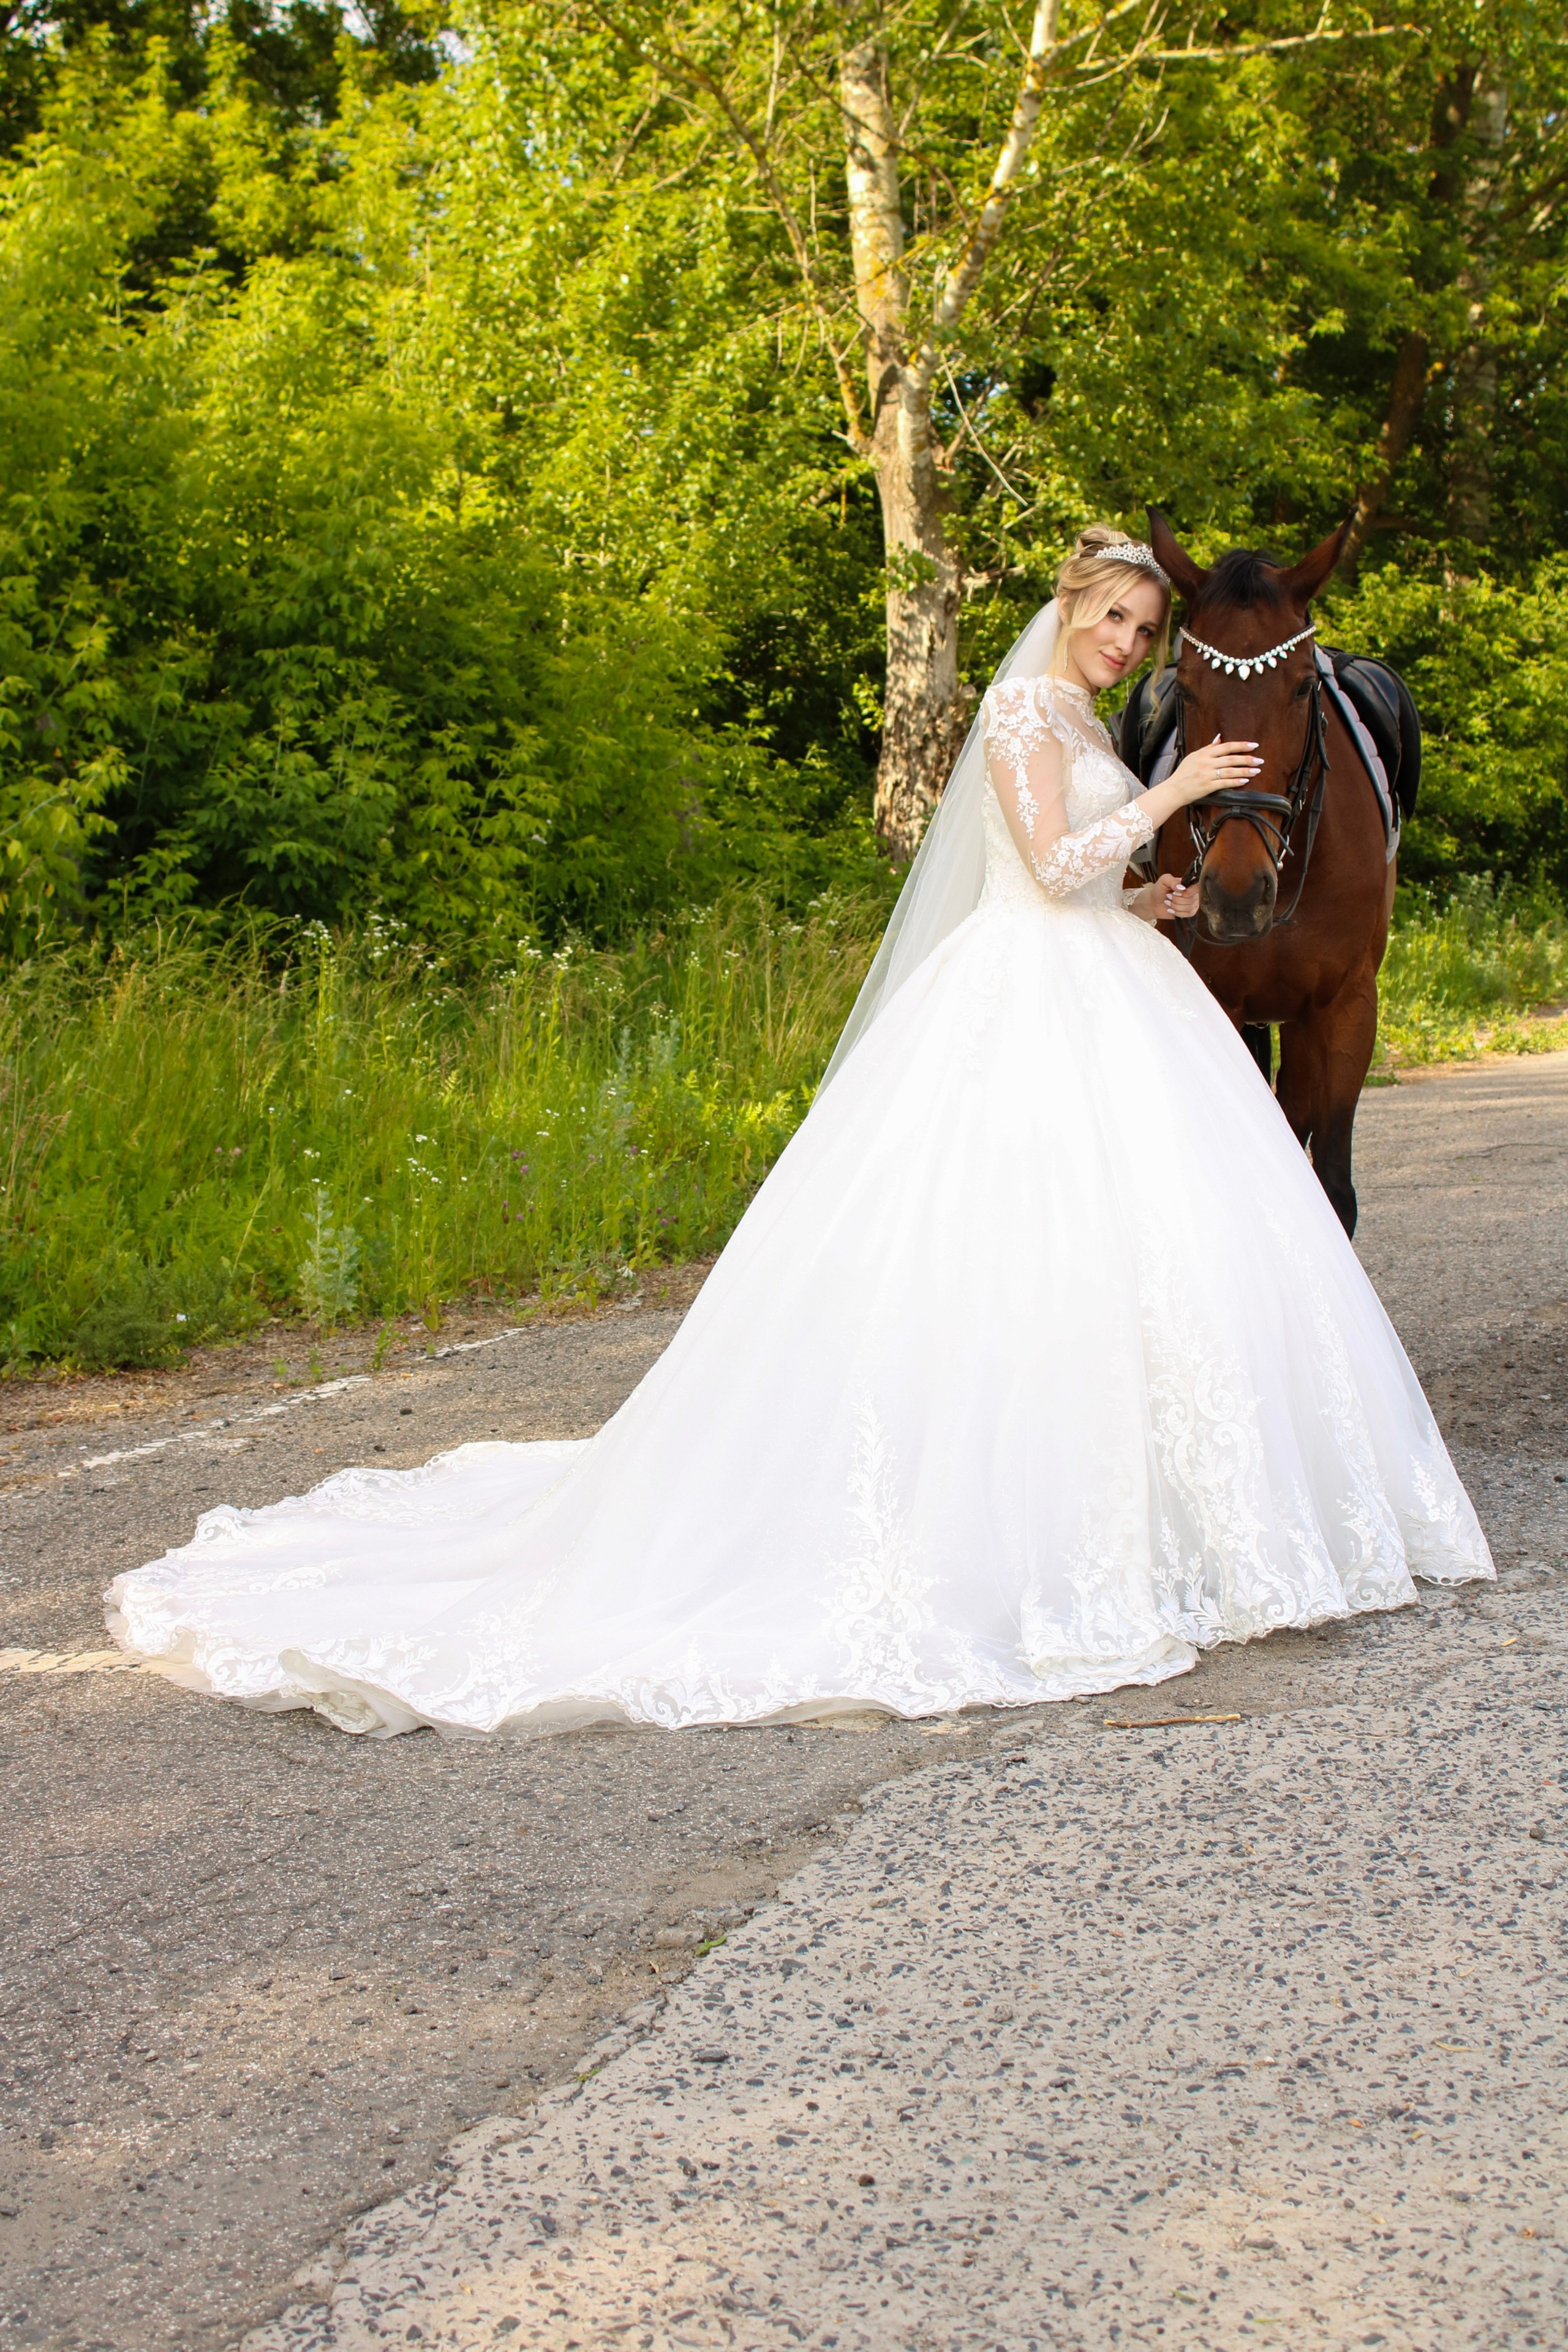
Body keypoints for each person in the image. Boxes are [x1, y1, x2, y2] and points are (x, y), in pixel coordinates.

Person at [107, 526, 1491, 1736]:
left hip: (1103, 984)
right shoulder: (1018, 718)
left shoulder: (1081, 729)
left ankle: (1185, 1511)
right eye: (1111, 620)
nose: (1125, 646)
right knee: (1008, 1247)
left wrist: (1159, 904)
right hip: (1019, 1009)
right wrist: (1172, 803)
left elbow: (1090, 891)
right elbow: (1052, 864)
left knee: (1140, 1252)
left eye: (1140, 630)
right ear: (1065, 610)